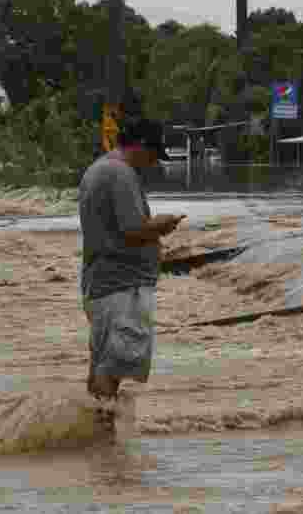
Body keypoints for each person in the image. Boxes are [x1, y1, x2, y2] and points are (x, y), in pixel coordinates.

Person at [78, 118, 185, 432]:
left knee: (103, 361)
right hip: (122, 285)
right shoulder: (121, 174)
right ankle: (103, 435)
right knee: (114, 364)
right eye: (153, 154)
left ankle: (97, 431)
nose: (153, 163)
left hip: (104, 282)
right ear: (138, 145)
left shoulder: (100, 169)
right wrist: (163, 225)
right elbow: (132, 229)